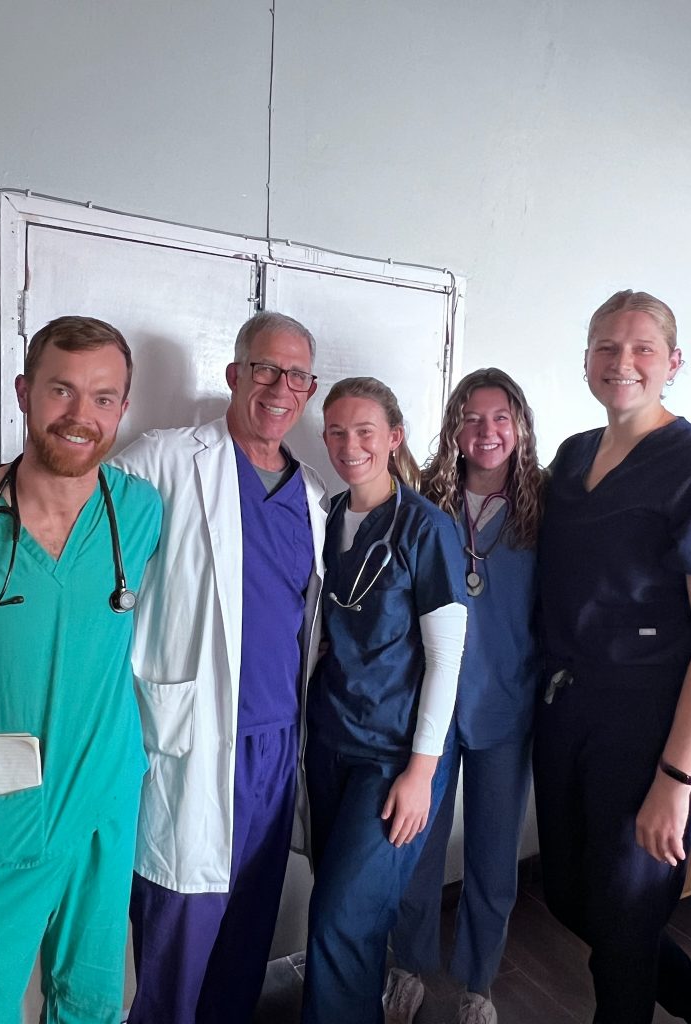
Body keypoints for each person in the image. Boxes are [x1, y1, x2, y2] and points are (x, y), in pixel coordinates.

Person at [112, 310, 326, 1024]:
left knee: (245, 939)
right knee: (178, 941)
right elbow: (80, 514)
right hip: (193, 738)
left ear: (309, 389)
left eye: (295, 374)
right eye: (265, 368)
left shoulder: (316, 502)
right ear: (236, 375)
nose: (279, 386)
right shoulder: (166, 459)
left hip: (274, 747)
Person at [533, 289, 691, 1024]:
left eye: (642, 348)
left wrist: (677, 781)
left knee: (623, 926)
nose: (623, 362)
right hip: (571, 709)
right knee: (568, 894)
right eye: (607, 347)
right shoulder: (574, 455)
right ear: (587, 358)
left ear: (672, 362)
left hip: (657, 724)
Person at [0, 316, 161, 1024]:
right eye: (61, 390)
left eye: (104, 397)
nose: (82, 416)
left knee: (91, 998)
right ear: (24, 392)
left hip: (104, 800)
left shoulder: (138, 512)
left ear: (122, 409)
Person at [300, 376, 468, 1024]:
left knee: (342, 920)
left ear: (394, 437)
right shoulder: (330, 516)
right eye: (337, 432)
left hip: (394, 754)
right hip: (332, 739)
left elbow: (446, 658)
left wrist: (422, 772)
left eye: (365, 431)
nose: (350, 445)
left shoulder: (426, 530)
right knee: (347, 916)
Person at [385, 368, 543, 1024]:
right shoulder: (425, 505)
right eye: (472, 419)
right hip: (433, 709)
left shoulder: (546, 510)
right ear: (453, 429)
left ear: (521, 428)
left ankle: (478, 983)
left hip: (506, 703)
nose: (487, 432)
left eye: (501, 418)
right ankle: (407, 966)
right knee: (414, 847)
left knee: (492, 854)